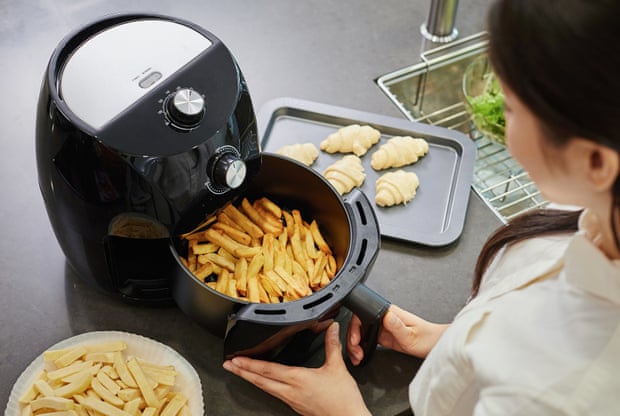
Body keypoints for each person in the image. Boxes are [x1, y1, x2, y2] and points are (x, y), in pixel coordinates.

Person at [223, 0, 620, 414]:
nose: (491, 119)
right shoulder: (591, 215)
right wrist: (453, 341)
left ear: (595, 162)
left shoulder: (565, 394)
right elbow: (541, 321)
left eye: (511, 108)